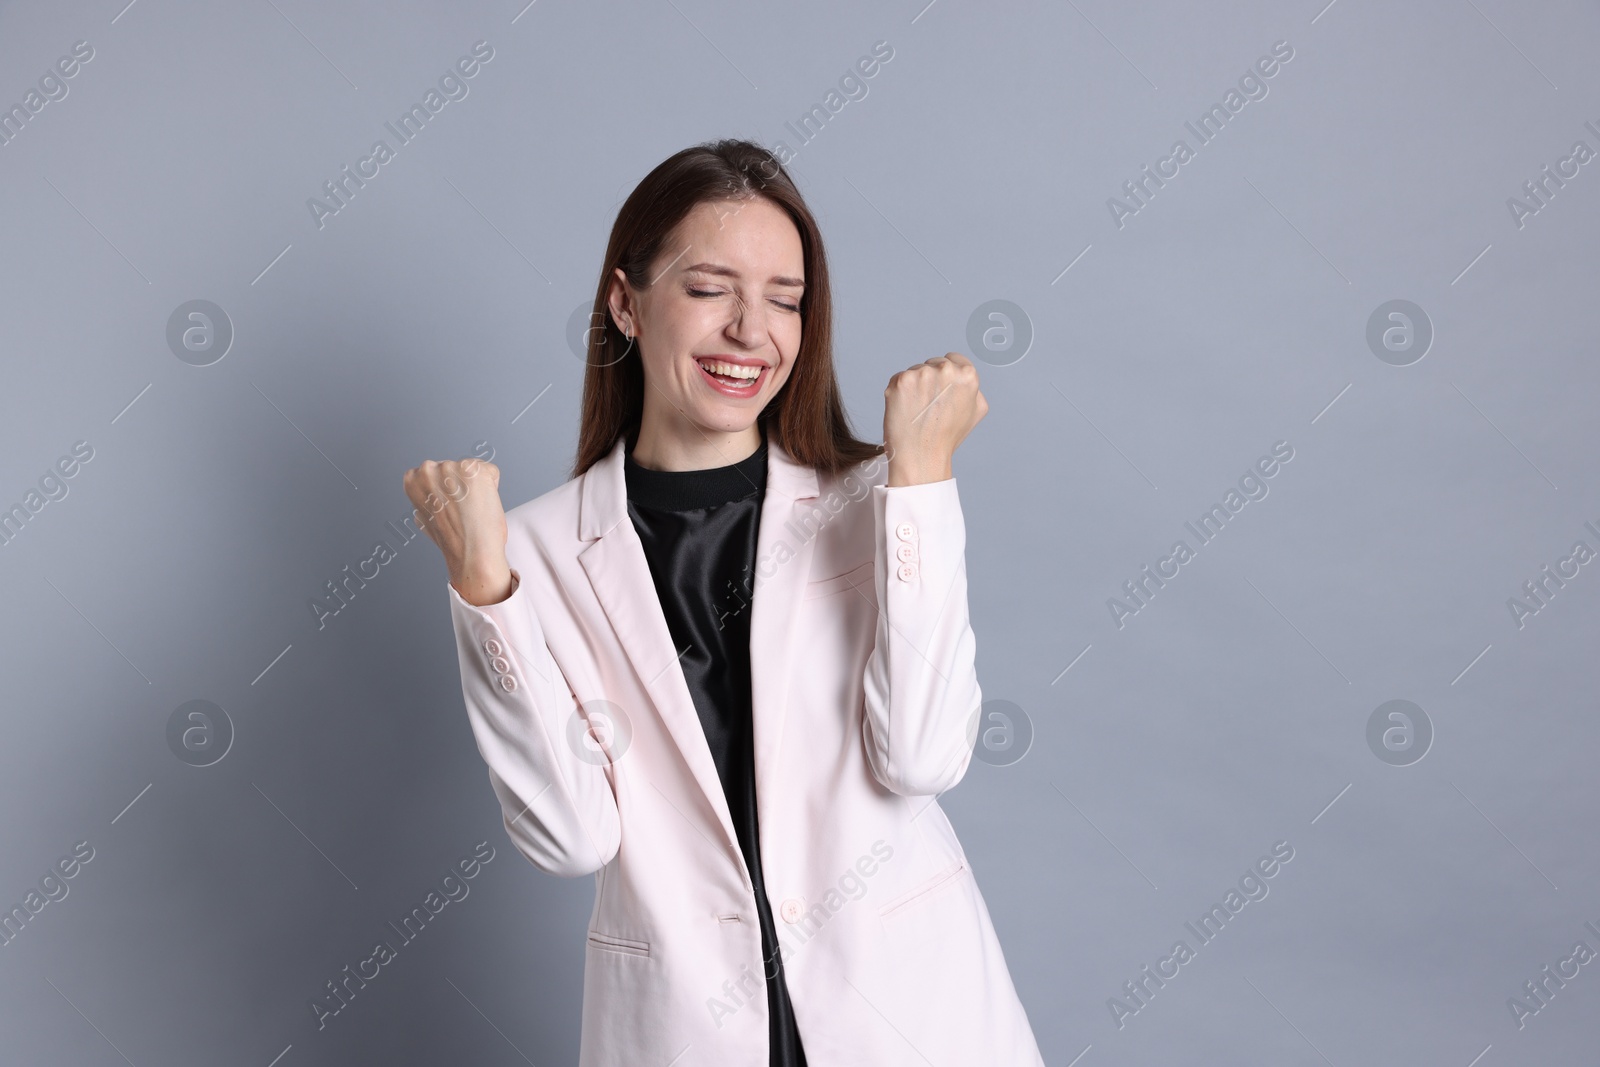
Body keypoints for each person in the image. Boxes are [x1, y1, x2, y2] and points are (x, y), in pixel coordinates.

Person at [403, 139, 1044, 1066]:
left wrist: (924, 481)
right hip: (684, 1030)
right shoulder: (533, 549)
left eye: (785, 299)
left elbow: (922, 754)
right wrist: (482, 586)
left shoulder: (875, 498)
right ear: (626, 302)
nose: (753, 330)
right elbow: (570, 835)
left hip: (908, 1015)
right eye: (710, 289)